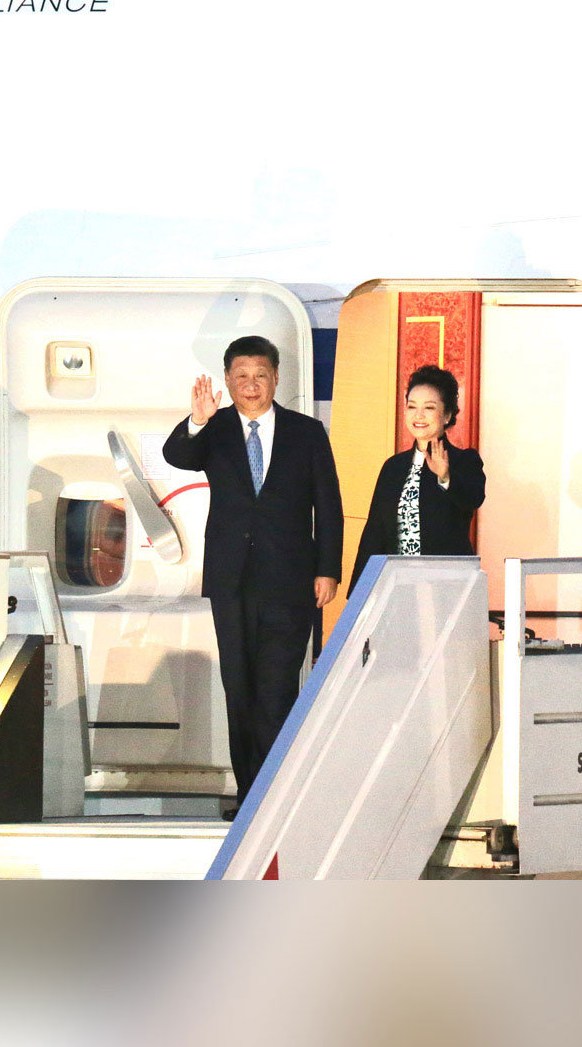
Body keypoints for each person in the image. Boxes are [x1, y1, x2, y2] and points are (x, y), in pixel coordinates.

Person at [162, 336, 343, 818]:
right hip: (231, 582)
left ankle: (273, 796)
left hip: (291, 582)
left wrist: (328, 569)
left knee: (277, 690)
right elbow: (176, 455)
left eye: (260, 375)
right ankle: (250, 797)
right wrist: (198, 420)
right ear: (227, 380)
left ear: (276, 377)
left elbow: (328, 505)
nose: (251, 384)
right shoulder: (215, 428)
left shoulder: (307, 432)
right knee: (239, 689)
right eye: (241, 376)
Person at [350, 364, 486, 593]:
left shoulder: (464, 461)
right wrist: (361, 592)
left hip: (448, 587)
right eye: (412, 406)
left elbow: (473, 499)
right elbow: (375, 532)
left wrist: (445, 476)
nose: (419, 415)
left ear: (447, 415)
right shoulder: (393, 467)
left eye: (429, 408)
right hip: (398, 587)